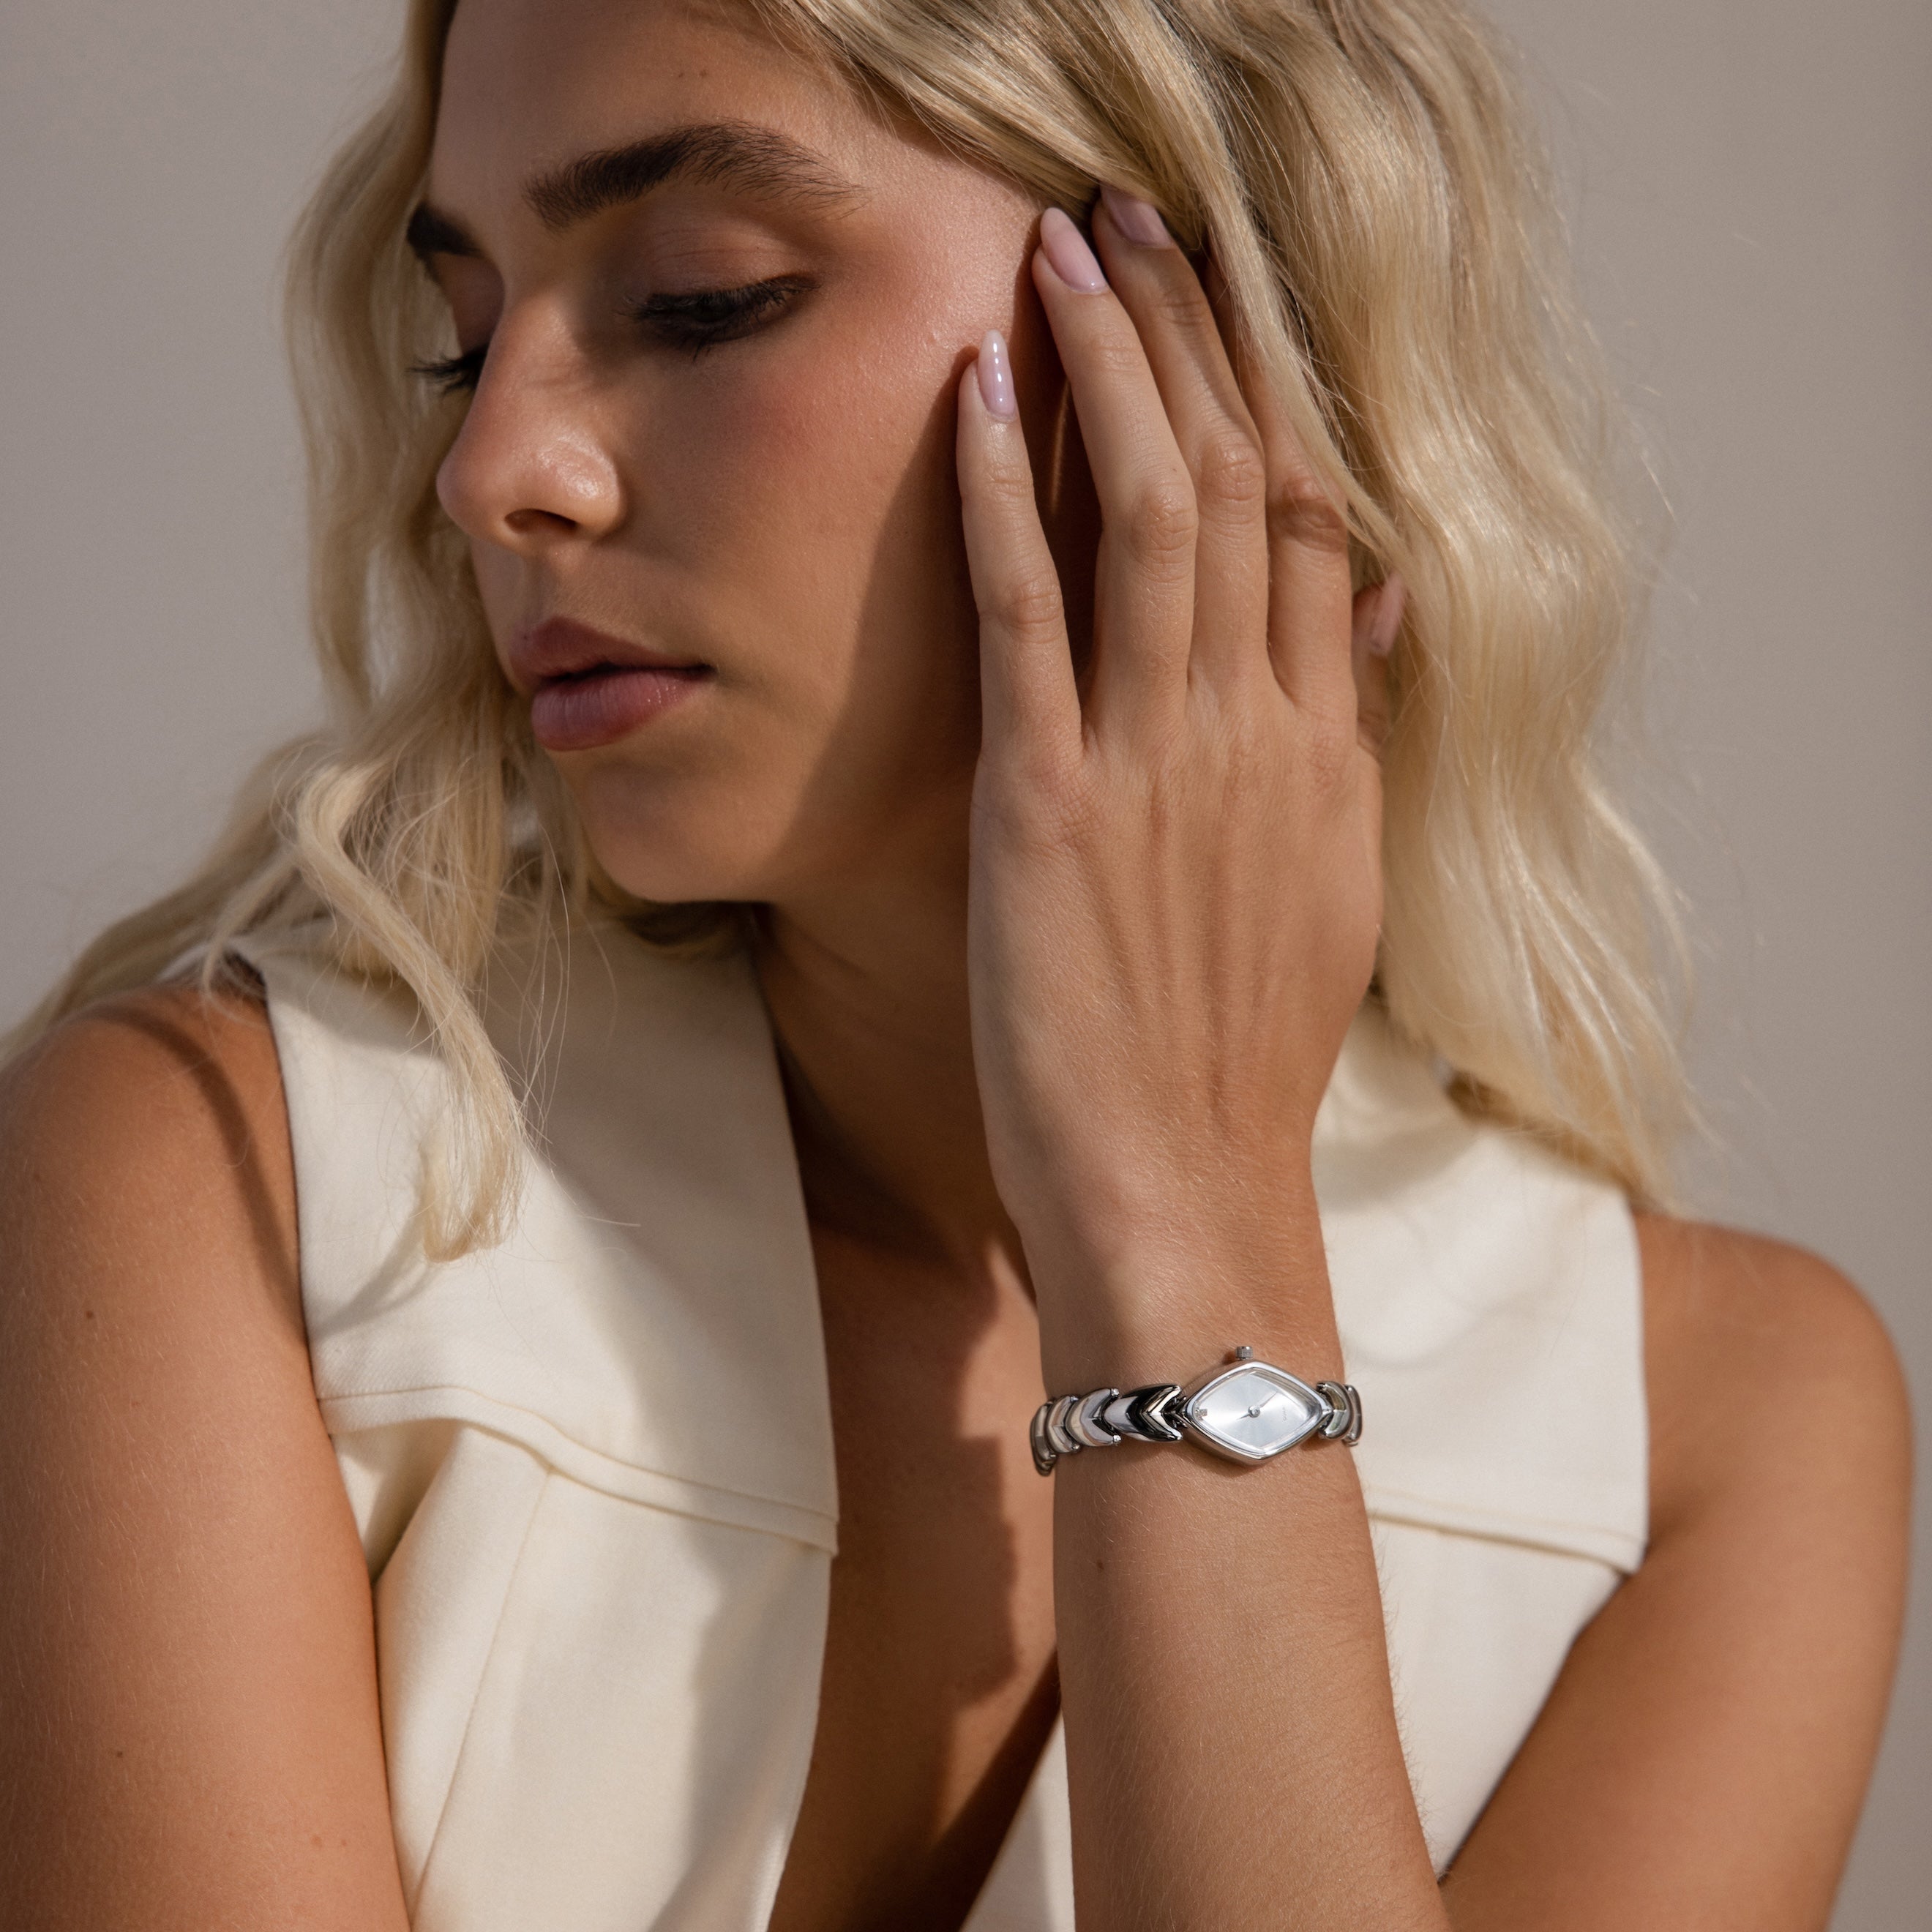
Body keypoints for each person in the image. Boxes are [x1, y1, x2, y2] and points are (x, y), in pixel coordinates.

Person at [0, 0, 1909, 1925]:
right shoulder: (224, 1196)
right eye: (466, 335)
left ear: (1231, 339)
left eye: (696, 294)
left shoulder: (1708, 1445)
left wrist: (1188, 1225)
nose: (494, 468)